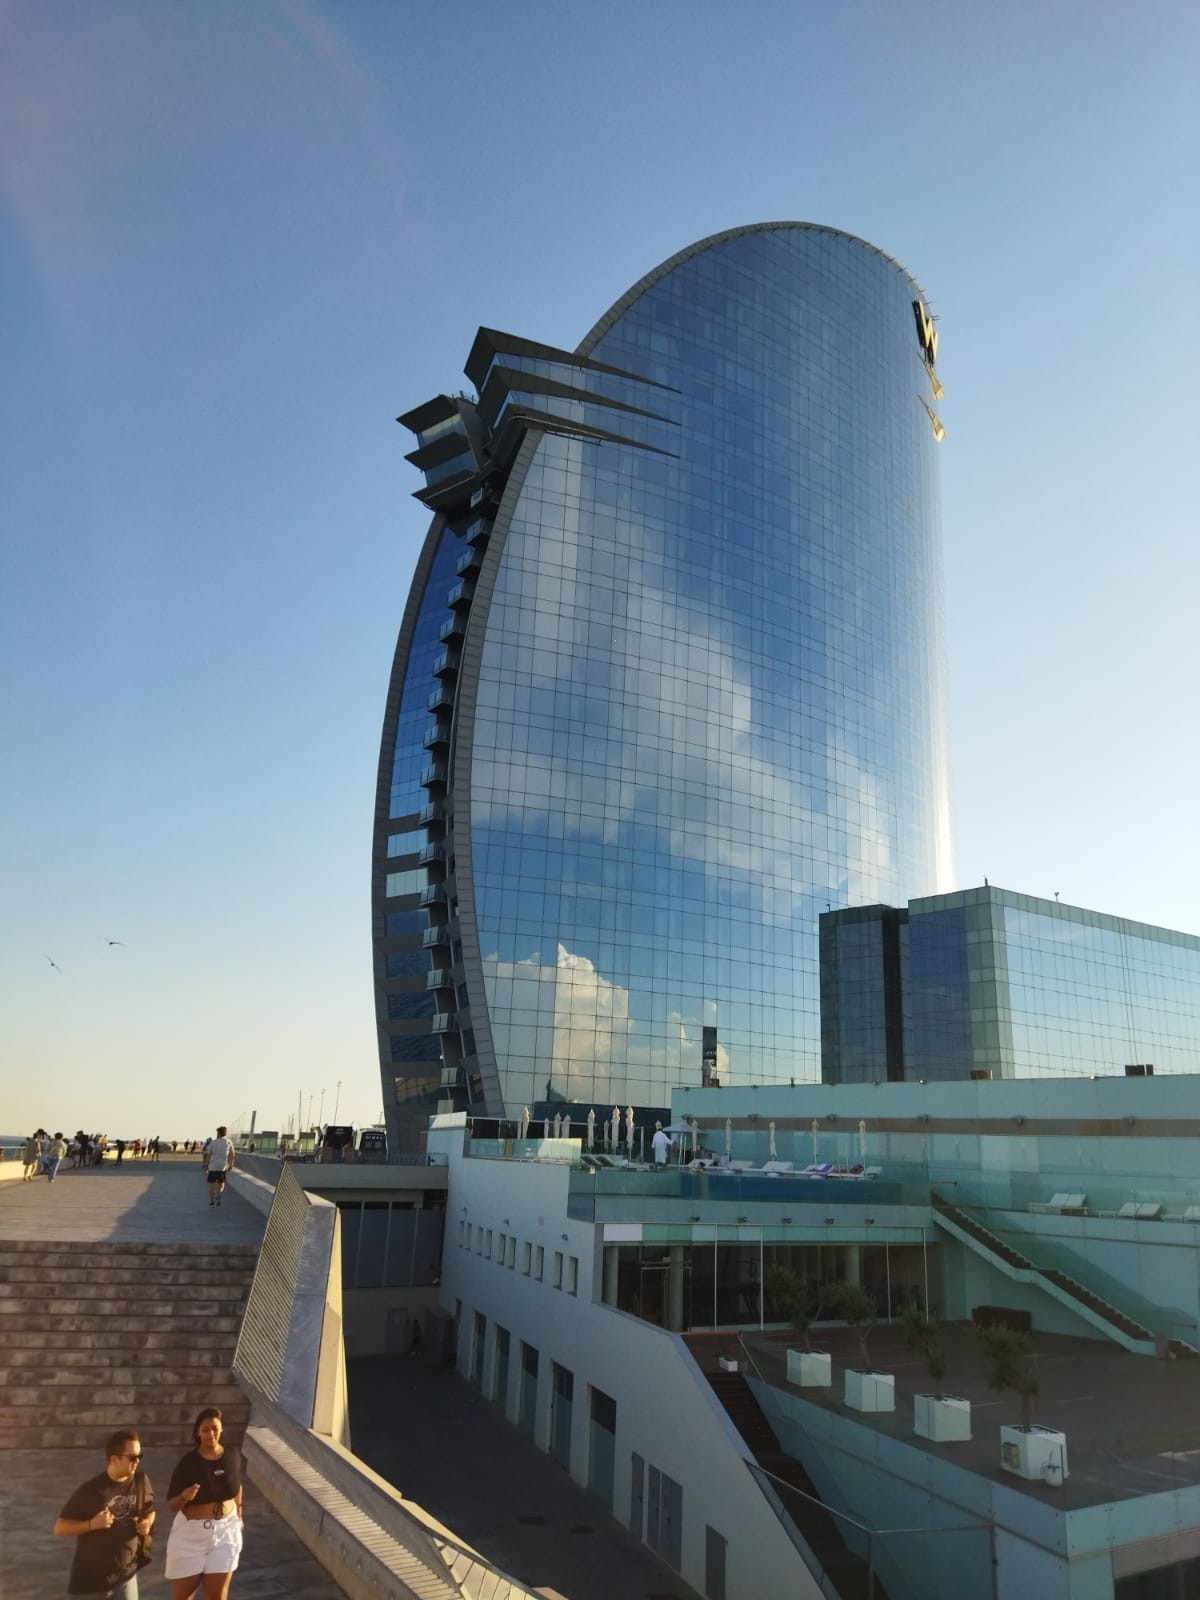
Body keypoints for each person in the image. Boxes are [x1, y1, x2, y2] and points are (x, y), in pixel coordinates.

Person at [54, 1427, 155, 1599]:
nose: (137, 1461)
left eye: (139, 1456)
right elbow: (60, 1528)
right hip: (92, 1584)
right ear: (114, 1459)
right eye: (132, 1457)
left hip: (126, 1578)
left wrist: (147, 1523)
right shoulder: (91, 1490)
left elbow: (150, 1510)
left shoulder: (140, 1481)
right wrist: (91, 1524)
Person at [164, 1406, 243, 1599]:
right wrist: (184, 1497)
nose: (211, 1434)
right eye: (206, 1429)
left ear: (222, 1429)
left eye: (215, 1428)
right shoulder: (188, 1463)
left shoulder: (232, 1455)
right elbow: (171, 1504)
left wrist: (240, 1515)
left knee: (217, 1595)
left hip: (226, 1533)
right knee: (184, 1595)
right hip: (192, 1536)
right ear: (198, 1432)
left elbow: (237, 1487)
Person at [202, 1127, 234, 1208]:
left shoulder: (213, 1142)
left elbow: (208, 1155)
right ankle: (219, 1193)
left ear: (219, 1133)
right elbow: (232, 1155)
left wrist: (206, 1165)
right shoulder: (229, 1142)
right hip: (222, 1168)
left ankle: (211, 1202)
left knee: (211, 1186)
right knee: (222, 1184)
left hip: (212, 1167)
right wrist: (231, 1164)